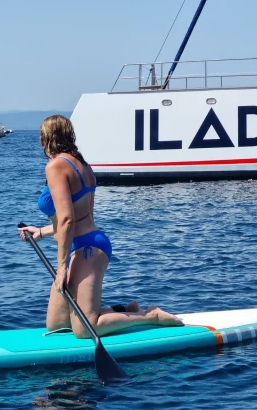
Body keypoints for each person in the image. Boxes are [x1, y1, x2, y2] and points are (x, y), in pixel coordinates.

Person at [19, 114, 183, 338]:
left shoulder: (55, 166)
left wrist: (62, 269)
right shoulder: (84, 166)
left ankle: (149, 315)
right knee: (57, 323)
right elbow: (80, 216)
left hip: (86, 248)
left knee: (86, 328)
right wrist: (41, 232)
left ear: (43, 139)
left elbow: (67, 219)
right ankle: (126, 310)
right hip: (89, 241)